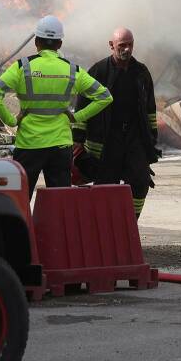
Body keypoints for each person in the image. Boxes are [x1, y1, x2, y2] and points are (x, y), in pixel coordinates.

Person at [0, 15, 113, 199]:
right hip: (60, 145)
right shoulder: (72, 70)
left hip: (29, 143)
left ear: (36, 42)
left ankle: (21, 228)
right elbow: (104, 97)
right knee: (60, 201)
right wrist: (77, 116)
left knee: (20, 199)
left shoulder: (23, 67)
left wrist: (11, 120)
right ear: (60, 44)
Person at [73, 27, 160, 220]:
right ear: (111, 45)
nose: (127, 49)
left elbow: (150, 108)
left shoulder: (141, 72)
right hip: (106, 139)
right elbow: (81, 106)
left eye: (130, 45)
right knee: (105, 185)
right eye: (122, 45)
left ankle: (130, 221)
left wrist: (151, 138)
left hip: (134, 138)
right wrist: (77, 140)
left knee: (140, 181)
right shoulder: (98, 71)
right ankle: (104, 226)